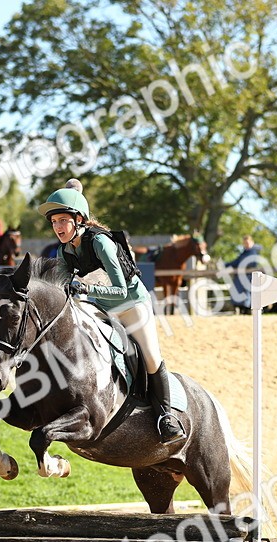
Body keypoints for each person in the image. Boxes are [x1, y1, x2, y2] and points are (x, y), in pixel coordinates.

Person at [39, 178, 185, 444]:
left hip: (131, 305)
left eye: (63, 220)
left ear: (78, 219)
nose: (58, 227)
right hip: (101, 308)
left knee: (151, 356)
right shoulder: (63, 252)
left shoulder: (100, 243)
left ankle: (167, 417)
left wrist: (83, 288)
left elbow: (119, 290)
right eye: (54, 222)